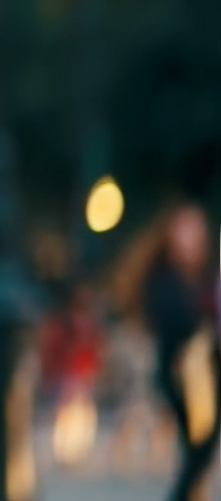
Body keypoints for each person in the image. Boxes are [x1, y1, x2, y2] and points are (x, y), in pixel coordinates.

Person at [135, 202, 217, 501]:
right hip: (177, 371)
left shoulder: (202, 276)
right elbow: (172, 319)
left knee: (202, 445)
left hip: (205, 374)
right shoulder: (163, 276)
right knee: (199, 444)